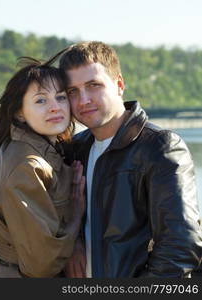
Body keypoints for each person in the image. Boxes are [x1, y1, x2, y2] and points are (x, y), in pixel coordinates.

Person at [54, 41, 202, 277]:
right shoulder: (74, 149)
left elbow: (180, 247)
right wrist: (73, 243)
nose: (83, 100)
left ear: (119, 85)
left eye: (93, 85)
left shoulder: (160, 147)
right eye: (73, 91)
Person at [0, 57, 85, 277]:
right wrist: (76, 216)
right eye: (41, 100)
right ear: (19, 112)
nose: (55, 107)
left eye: (61, 97)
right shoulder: (26, 165)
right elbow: (41, 264)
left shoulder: (43, 150)